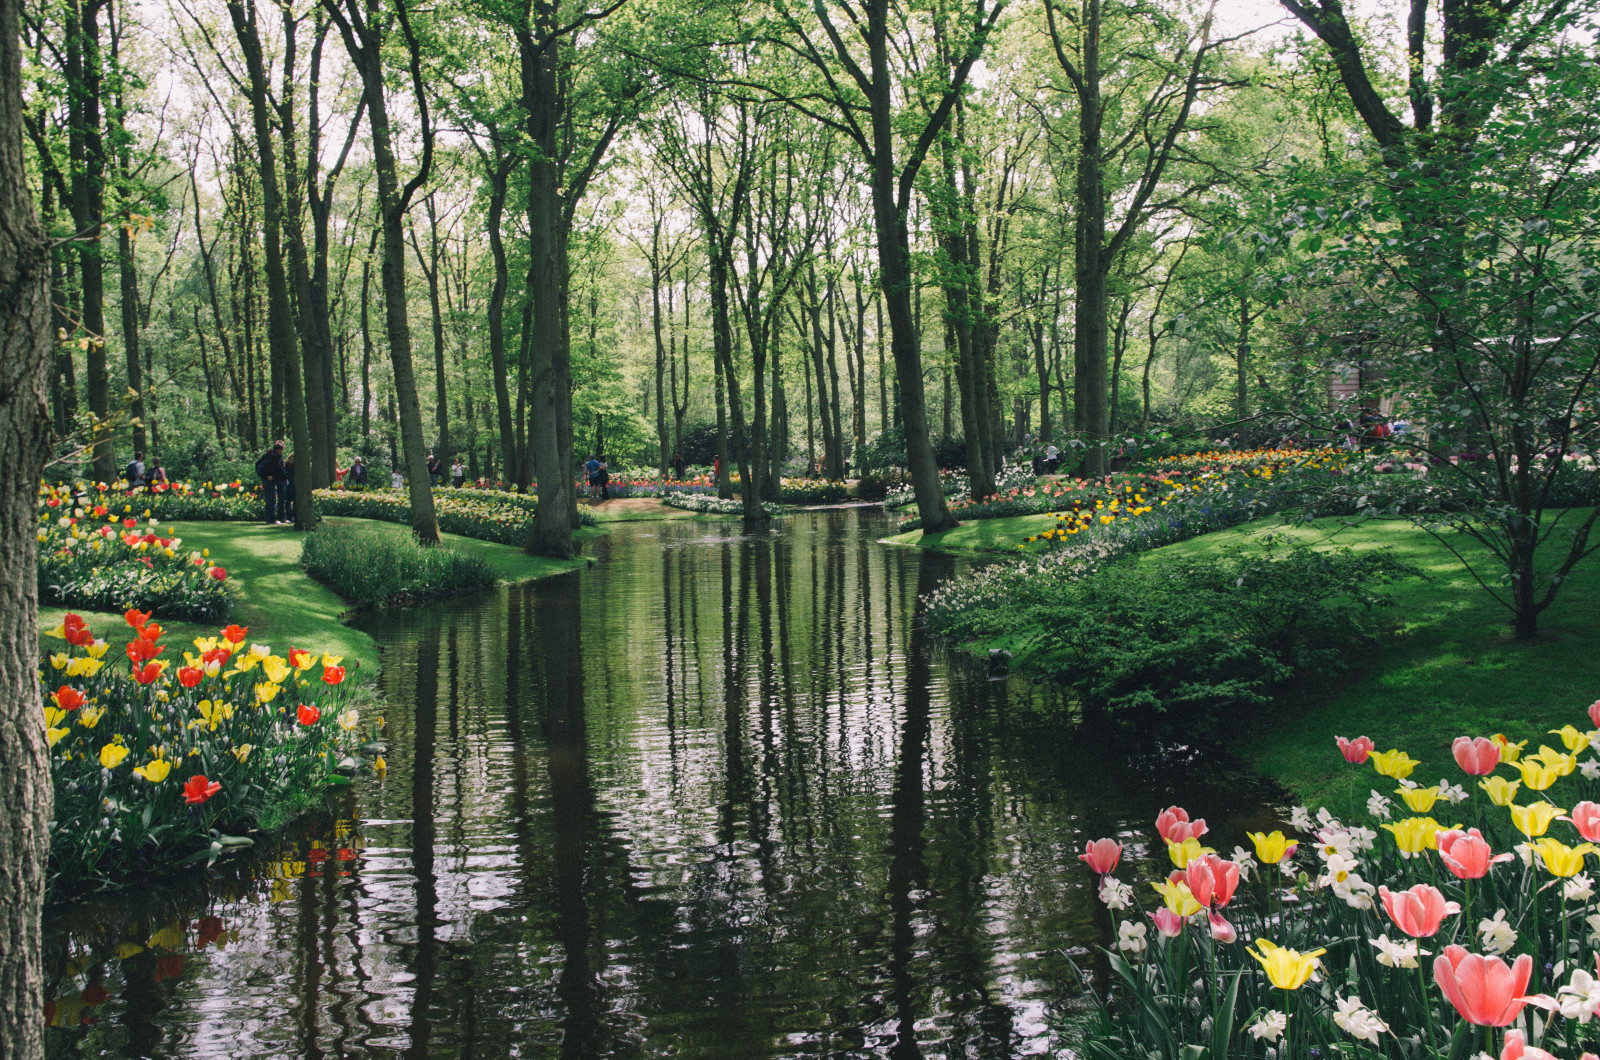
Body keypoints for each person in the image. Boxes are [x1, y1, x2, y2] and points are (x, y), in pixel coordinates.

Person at [255, 440, 287, 524]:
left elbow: (257, 465)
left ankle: (272, 518)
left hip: (267, 480)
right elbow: (279, 470)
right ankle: (271, 519)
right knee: (271, 499)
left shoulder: (266, 456)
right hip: (269, 481)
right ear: (279, 450)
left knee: (271, 499)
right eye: (282, 450)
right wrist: (287, 476)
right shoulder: (275, 457)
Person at [283, 453, 297, 522]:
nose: (291, 460)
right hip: (289, 484)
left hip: (292, 484)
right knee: (288, 500)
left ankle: (292, 515)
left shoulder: (294, 467)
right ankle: (289, 516)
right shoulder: (287, 466)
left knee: (293, 500)